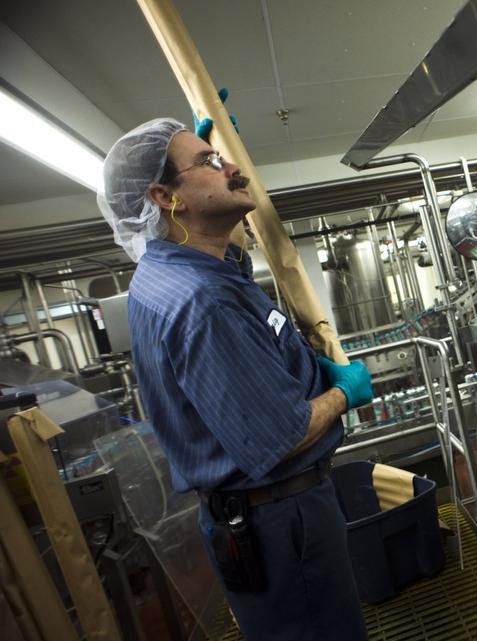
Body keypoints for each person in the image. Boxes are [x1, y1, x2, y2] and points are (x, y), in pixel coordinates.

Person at [97, 118, 371, 641]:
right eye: (208, 162)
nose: (234, 168)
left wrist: (208, 166)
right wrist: (342, 392)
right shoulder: (203, 300)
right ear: (163, 195)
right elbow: (281, 437)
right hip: (281, 517)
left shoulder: (179, 270)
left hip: (256, 516)